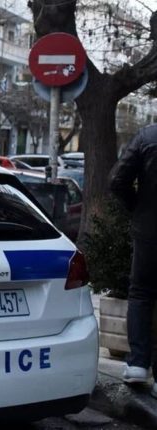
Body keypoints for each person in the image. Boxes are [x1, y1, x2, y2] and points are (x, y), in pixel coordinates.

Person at [110, 124, 157, 398]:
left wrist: (137, 207)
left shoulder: (147, 137)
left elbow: (117, 180)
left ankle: (138, 363)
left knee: (141, 294)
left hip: (148, 231)